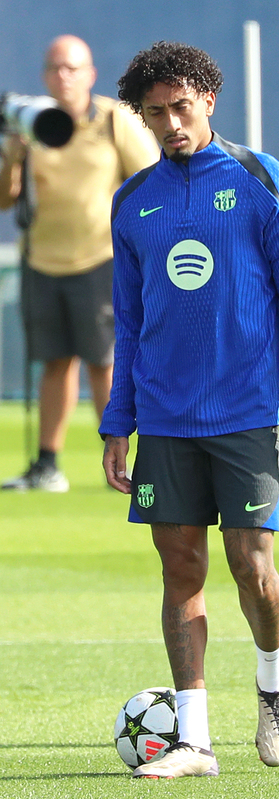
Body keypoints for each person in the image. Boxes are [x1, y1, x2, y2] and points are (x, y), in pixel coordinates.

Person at [100, 41, 279, 779]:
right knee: (181, 569)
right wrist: (116, 421)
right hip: (165, 416)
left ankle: (272, 684)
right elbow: (129, 323)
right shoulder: (133, 200)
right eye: (156, 113)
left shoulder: (263, 179)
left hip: (248, 409)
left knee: (251, 566)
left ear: (208, 99)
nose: (171, 124)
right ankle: (195, 740)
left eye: (182, 107)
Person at [0, 34, 159, 491]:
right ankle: (47, 465)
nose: (63, 76)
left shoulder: (113, 121)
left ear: (89, 74)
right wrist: (10, 156)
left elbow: (150, 181)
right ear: (44, 76)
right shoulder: (29, 126)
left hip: (100, 259)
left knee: (104, 362)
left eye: (72, 68)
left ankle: (120, 460)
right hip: (43, 260)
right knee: (53, 363)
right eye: (54, 68)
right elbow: (5, 198)